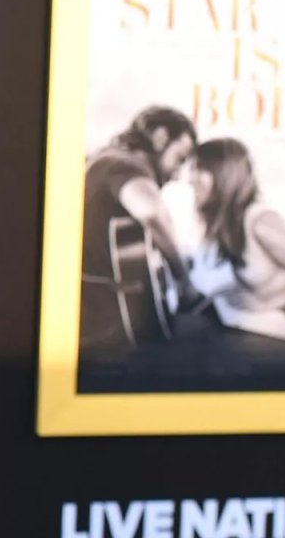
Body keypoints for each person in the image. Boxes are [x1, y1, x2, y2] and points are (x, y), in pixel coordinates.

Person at [187, 136, 285, 346]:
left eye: (199, 168)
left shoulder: (260, 222)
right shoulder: (230, 224)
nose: (190, 178)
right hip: (282, 319)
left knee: (229, 354)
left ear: (223, 174)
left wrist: (265, 305)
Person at [78, 105, 197, 354]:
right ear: (160, 137)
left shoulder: (100, 159)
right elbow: (152, 213)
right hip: (107, 330)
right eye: (180, 158)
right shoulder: (127, 164)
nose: (178, 175)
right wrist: (184, 280)